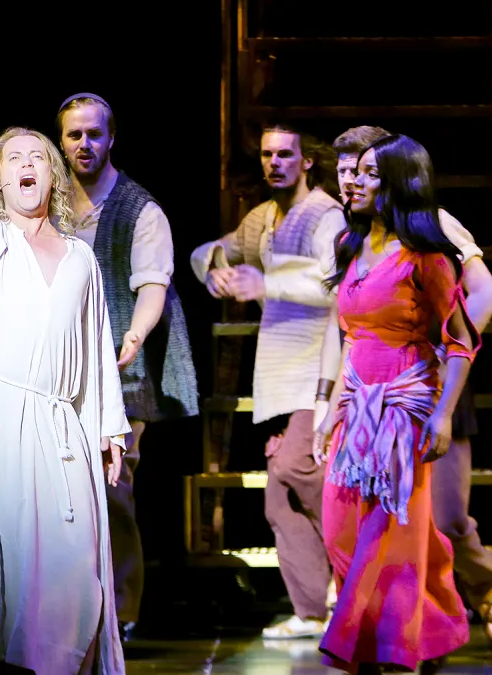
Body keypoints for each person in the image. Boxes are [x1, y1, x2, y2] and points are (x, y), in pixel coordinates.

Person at [0, 22, 131, 675]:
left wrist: (108, 426)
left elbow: (96, 350)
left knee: (74, 578)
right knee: (6, 578)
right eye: (14, 158)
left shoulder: (79, 259)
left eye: (38, 156)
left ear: (55, 174)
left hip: (61, 426)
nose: (29, 165)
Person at [324, 125, 492, 643]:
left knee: (446, 518)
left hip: (427, 384)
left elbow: (485, 297)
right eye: (343, 171)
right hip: (371, 393)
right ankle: (388, 626)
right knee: (377, 521)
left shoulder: (433, 227)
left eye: (362, 170)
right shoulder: (353, 235)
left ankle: (482, 590)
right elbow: (349, 327)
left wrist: (431, 350)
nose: (349, 182)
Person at [190, 123, 344, 640]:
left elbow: (335, 284)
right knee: (278, 499)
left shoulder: (327, 215)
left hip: (323, 370)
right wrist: (215, 268)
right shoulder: (263, 220)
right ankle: (311, 610)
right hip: (283, 374)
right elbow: (210, 250)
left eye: (285, 154)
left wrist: (265, 280)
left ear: (306, 161)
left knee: (301, 469)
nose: (273, 162)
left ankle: (357, 576)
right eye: (266, 154)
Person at [56, 93, 200, 639]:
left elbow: (152, 285)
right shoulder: (48, 202)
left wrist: (135, 333)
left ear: (111, 138)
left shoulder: (140, 209)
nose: (84, 144)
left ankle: (121, 607)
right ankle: (70, 603)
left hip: (123, 367)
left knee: (112, 481)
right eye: (74, 135)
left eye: (94, 134)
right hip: (61, 363)